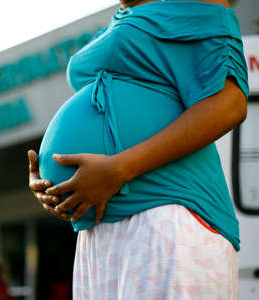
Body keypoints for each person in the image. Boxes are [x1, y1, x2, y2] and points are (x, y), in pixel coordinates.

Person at [28, 0, 248, 299]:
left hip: (167, 214)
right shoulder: (124, 18)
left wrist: (119, 169)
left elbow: (228, 105)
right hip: (100, 231)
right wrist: (53, 183)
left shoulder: (194, 5)